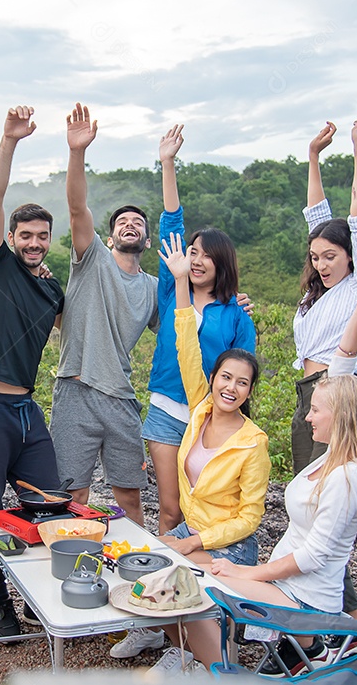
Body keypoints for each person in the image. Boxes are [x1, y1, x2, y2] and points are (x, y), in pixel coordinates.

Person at [179, 265, 357, 675]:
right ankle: (295, 652)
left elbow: (313, 556)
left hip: (305, 601)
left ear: (342, 418)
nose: (308, 418)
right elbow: (342, 368)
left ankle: (273, 654)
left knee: (201, 585)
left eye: (315, 411)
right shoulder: (332, 458)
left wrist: (247, 571)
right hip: (286, 586)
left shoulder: (347, 476)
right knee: (196, 570)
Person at [111, 231, 270, 665]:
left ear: (250, 389)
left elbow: (251, 518)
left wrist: (192, 541)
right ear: (212, 378)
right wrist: (181, 281)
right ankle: (164, 639)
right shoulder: (199, 412)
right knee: (146, 565)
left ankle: (202, 659)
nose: (231, 387)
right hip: (193, 534)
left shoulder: (252, 442)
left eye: (242, 382)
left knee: (175, 571)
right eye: (225, 378)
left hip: (228, 544)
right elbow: (185, 338)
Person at [0, 105, 66, 638]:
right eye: (25, 235)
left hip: (27, 411)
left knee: (49, 508)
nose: (32, 243)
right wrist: (9, 140)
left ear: (49, 240)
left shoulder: (52, 287)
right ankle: (2, 607)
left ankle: (44, 599)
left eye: (41, 236)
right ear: (12, 236)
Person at [291, 118, 357, 619]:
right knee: (307, 500)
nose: (323, 263)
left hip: (337, 394)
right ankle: (326, 604)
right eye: (316, 257)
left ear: (354, 256)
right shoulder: (319, 296)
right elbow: (317, 214)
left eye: (331, 256)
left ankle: (344, 611)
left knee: (329, 503)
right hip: (308, 395)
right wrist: (312, 157)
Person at [144, 124, 256, 536]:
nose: (196, 261)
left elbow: (246, 372)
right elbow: (172, 221)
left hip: (211, 419)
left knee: (205, 513)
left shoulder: (237, 315)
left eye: (207, 256)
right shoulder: (173, 290)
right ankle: (160, 589)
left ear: (221, 264)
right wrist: (168, 162)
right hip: (166, 412)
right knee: (172, 512)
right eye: (192, 252)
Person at [50, 102, 158, 525]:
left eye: (138, 223)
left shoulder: (153, 289)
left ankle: (136, 571)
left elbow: (185, 324)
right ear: (110, 235)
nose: (130, 224)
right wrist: (77, 152)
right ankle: (70, 572)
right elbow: (78, 208)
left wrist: (231, 301)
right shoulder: (91, 258)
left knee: (129, 496)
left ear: (147, 241)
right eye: (123, 221)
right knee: (72, 494)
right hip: (75, 391)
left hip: (121, 399)